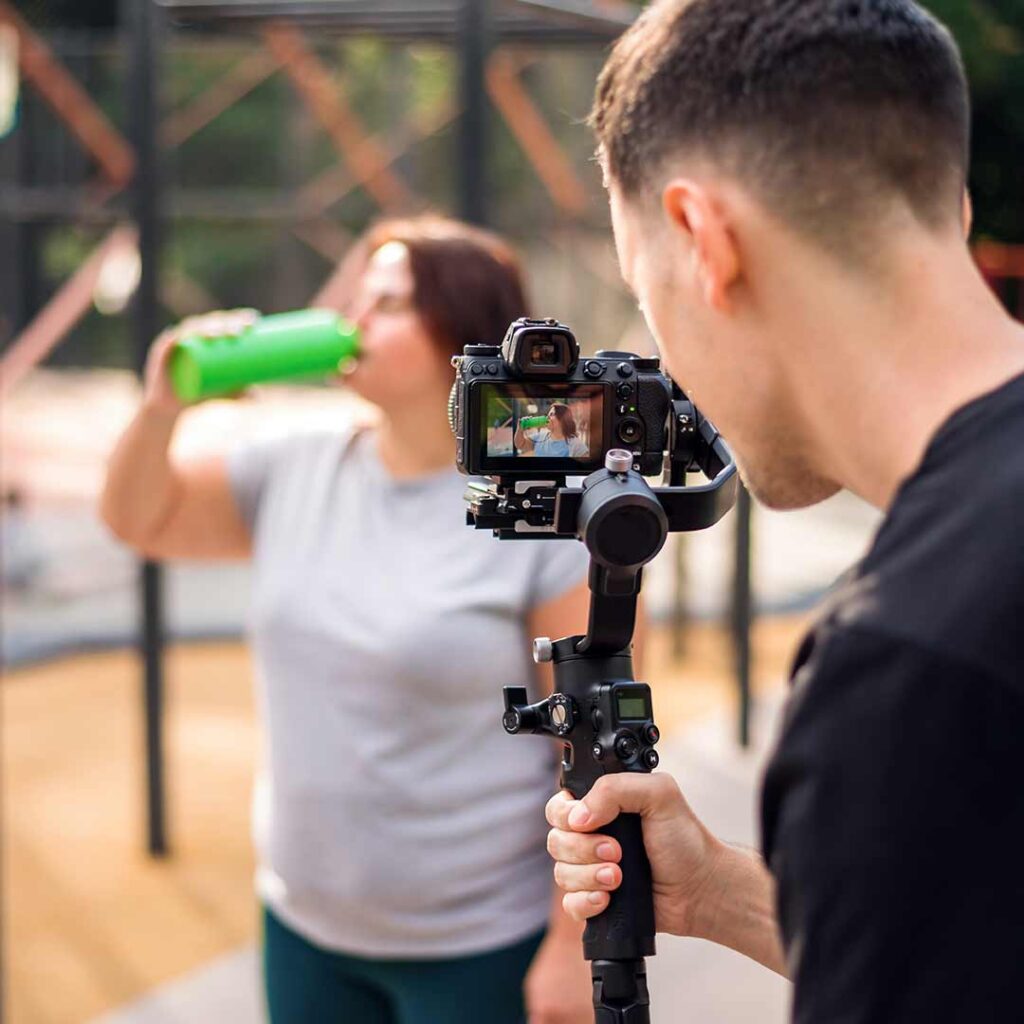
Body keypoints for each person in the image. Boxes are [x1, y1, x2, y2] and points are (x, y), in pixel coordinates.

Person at [543, 1, 1024, 1020]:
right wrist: (722, 890)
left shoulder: (907, 667)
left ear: (700, 238)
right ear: (951, 210)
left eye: (645, 295)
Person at [100, 215, 598, 1024]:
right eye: (357, 296)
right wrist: (163, 406)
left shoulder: (538, 508)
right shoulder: (296, 464)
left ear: (462, 338)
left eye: (390, 303)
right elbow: (136, 519)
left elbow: (588, 742)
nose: (351, 319)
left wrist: (573, 945)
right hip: (305, 924)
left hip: (478, 942)